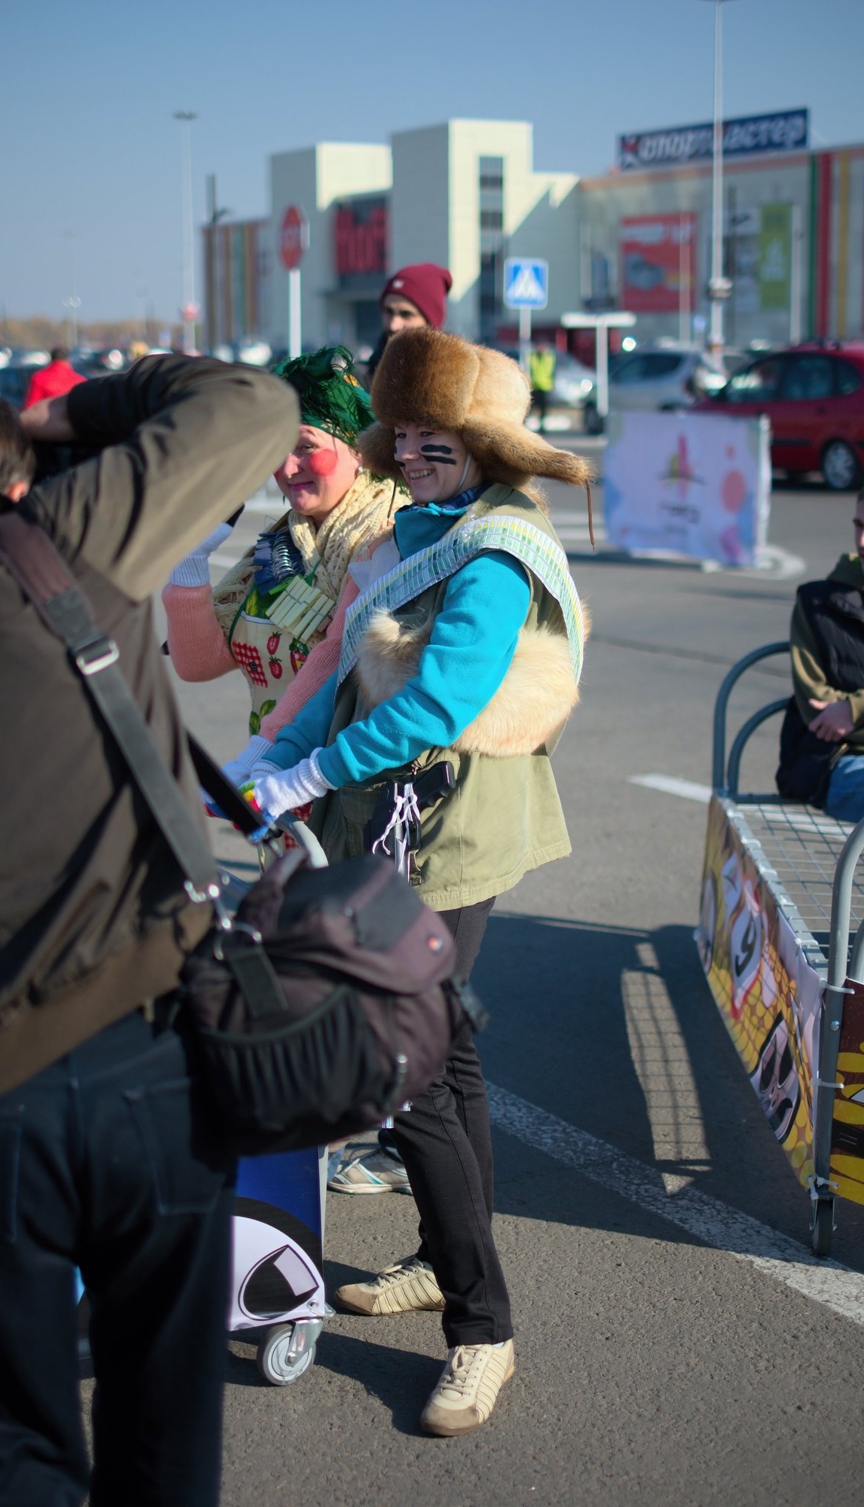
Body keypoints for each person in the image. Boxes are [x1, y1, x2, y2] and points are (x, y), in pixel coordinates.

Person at [0, 357, 297, 1505]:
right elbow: (254, 404)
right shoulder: (69, 534)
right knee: (165, 1422)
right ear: (15, 476)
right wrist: (67, 411)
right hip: (155, 1059)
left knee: (10, 1446)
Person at [245, 326, 591, 1435]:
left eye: (437, 433)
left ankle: (482, 1331)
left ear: (485, 440)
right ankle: (450, 1262)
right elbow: (344, 665)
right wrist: (270, 755)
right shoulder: (419, 526)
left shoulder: (495, 546)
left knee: (415, 1074)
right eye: (405, 430)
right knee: (454, 1060)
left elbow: (435, 708)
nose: (414, 446)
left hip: (448, 828)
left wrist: (303, 773)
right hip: (391, 821)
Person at [163, 346, 405, 787]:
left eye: (306, 447)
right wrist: (188, 566)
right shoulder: (282, 539)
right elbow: (199, 663)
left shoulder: (389, 534)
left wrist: (264, 752)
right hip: (277, 787)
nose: (286, 467)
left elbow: (338, 655)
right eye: (276, 449)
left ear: (359, 451)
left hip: (349, 785)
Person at [778, 475, 864, 830]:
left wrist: (857, 708)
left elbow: (841, 712)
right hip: (843, 762)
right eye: (859, 524)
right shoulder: (818, 603)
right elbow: (817, 707)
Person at [366, 262, 452, 383]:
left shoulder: (453, 383)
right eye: (388, 312)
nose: (394, 325)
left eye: (406, 314)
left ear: (431, 324)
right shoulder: (357, 382)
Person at [23, 344, 87, 408]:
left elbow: (31, 406)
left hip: (48, 416)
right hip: (71, 417)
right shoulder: (80, 380)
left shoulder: (39, 378)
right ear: (68, 360)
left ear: (51, 359)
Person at [528, 339, 556, 432]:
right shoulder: (532, 356)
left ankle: (542, 426)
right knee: (530, 407)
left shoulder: (549, 357)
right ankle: (526, 425)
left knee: (543, 408)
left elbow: (552, 371)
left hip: (545, 386)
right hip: (535, 385)